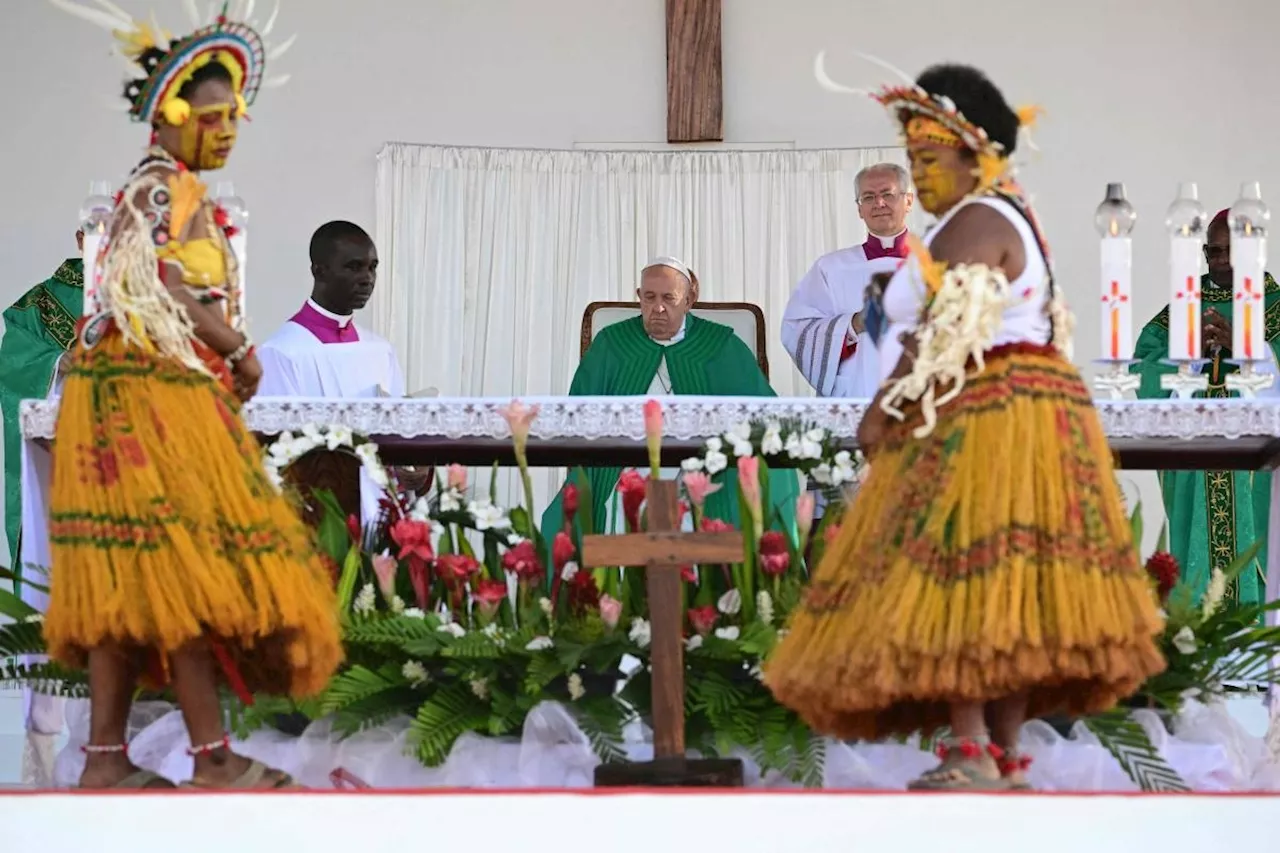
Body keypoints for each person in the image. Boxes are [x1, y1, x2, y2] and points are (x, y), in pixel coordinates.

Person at [765, 60, 1164, 791]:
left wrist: (885, 407)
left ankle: (972, 746)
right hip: (1023, 411)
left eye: (926, 160)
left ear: (974, 151)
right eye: (911, 161)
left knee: (957, 572)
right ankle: (1001, 754)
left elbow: (941, 333)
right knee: (1005, 581)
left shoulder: (978, 219)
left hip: (985, 415)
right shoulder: (1006, 212)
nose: (918, 178)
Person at [45, 3, 340, 789]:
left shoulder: (169, 189)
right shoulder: (157, 191)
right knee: (182, 568)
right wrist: (236, 346)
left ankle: (105, 760)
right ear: (171, 115)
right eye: (214, 117)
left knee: (134, 574)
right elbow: (163, 288)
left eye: (235, 118)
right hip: (145, 398)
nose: (228, 131)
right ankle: (212, 757)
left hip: (138, 392)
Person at [540, 257, 796, 532]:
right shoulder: (612, 343)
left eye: (669, 298)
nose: (658, 308)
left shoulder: (721, 345)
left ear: (688, 300)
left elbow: (765, 414)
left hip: (703, 472)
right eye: (649, 297)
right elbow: (578, 411)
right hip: (626, 470)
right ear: (639, 296)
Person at [1132, 209, 1276, 605]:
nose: (1219, 261)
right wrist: (1186, 353)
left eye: (1229, 251)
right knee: (1197, 575)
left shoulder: (1274, 305)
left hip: (1256, 468)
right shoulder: (1184, 305)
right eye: (1212, 251)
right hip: (1195, 464)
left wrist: (1250, 350)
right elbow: (1141, 367)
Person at [782, 163, 914, 397]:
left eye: (887, 194)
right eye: (869, 197)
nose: (879, 203)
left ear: (908, 201)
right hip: (855, 393)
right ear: (859, 209)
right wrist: (854, 324)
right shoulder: (832, 267)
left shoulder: (938, 262)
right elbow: (798, 331)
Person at [1, 235, 84, 573]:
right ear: (81, 238)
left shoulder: (148, 297)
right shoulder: (43, 303)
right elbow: (11, 365)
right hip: (59, 454)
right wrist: (59, 361)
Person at [256, 221, 404, 398]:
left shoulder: (380, 350)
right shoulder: (281, 352)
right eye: (354, 267)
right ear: (319, 271)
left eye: (372, 267)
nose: (367, 279)